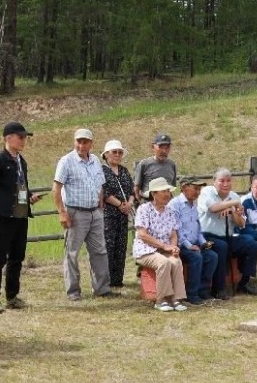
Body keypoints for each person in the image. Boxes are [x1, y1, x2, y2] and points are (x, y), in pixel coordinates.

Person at [0, 121, 44, 313]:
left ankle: (12, 296)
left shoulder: (21, 161)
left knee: (17, 256)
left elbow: (20, 185)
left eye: (25, 137)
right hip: (3, 215)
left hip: (20, 214)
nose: (24, 140)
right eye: (21, 137)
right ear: (8, 138)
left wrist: (29, 196)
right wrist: (5, 200)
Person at [52, 128, 116, 301]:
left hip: (95, 212)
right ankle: (73, 292)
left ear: (91, 143)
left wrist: (100, 205)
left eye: (85, 142)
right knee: (72, 253)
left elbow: (100, 184)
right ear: (74, 142)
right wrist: (62, 213)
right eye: (79, 141)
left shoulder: (95, 160)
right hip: (75, 213)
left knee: (100, 251)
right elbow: (56, 188)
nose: (81, 145)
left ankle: (102, 288)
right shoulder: (66, 161)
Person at [198, 168, 257, 297]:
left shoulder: (234, 195)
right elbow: (212, 208)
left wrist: (232, 211)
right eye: (221, 181)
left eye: (228, 181)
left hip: (228, 236)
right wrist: (234, 204)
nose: (225, 184)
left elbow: (241, 223)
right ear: (214, 181)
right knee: (222, 246)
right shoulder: (206, 192)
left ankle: (244, 283)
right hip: (207, 236)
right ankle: (218, 289)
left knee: (251, 244)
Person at [133, 178, 187, 311]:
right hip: (145, 250)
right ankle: (161, 300)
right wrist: (164, 246)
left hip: (164, 249)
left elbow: (173, 234)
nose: (167, 194)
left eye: (168, 191)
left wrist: (173, 248)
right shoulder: (144, 209)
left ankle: (176, 299)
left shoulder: (170, 211)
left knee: (176, 261)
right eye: (164, 191)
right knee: (163, 262)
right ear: (154, 193)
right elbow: (143, 235)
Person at [172, 177, 218, 305]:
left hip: (193, 244)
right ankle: (191, 294)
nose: (198, 192)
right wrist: (188, 245)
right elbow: (175, 229)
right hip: (179, 245)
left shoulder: (194, 205)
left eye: (199, 189)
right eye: (195, 188)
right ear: (184, 188)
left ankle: (203, 290)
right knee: (196, 257)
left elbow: (198, 229)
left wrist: (203, 242)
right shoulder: (175, 204)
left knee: (212, 256)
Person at [100, 139, 135, 288]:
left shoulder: (124, 171)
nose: (117, 155)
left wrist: (130, 203)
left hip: (123, 214)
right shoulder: (102, 171)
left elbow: (132, 191)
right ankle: (106, 281)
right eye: (114, 152)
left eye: (120, 152)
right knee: (109, 246)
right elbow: (104, 192)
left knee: (121, 246)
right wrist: (120, 204)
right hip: (109, 214)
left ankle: (117, 280)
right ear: (106, 154)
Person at [133, 133, 177, 205]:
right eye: (161, 147)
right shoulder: (144, 164)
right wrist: (141, 204)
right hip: (148, 203)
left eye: (167, 148)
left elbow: (171, 187)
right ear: (153, 147)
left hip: (166, 205)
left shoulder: (172, 164)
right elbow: (136, 187)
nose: (164, 151)